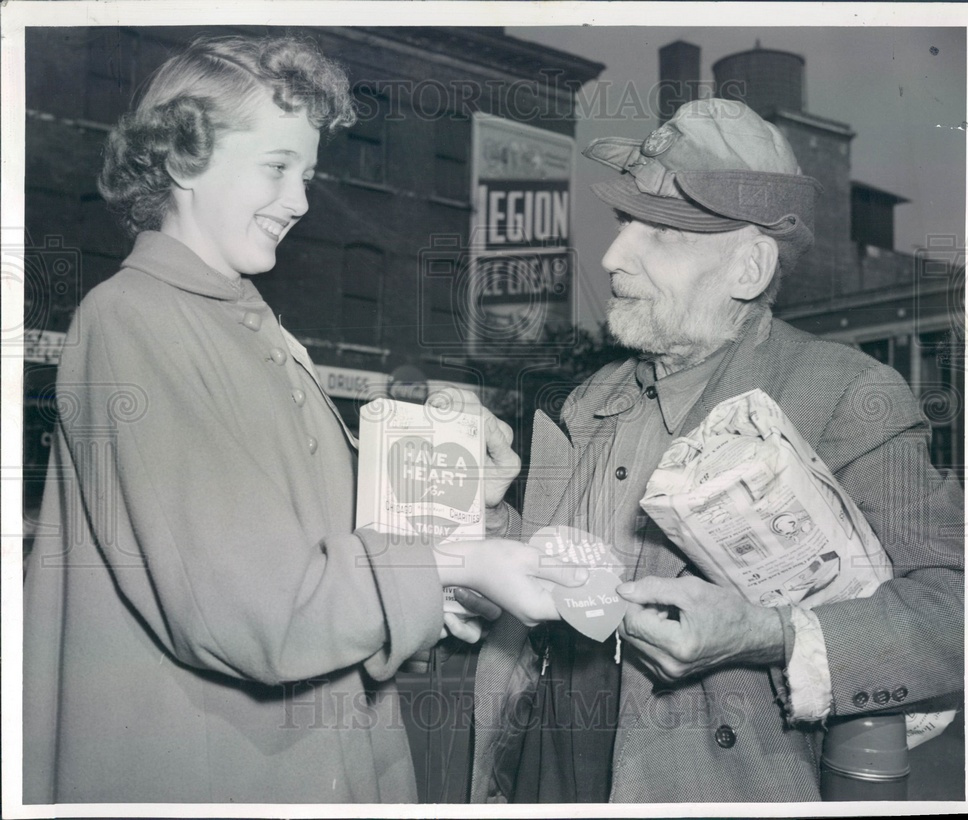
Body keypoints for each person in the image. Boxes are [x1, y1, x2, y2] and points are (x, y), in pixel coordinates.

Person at [21, 34, 585, 804]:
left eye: (308, 174)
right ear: (184, 160)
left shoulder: (246, 327)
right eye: (276, 167)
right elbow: (257, 611)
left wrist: (457, 494)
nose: (300, 201)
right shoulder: (134, 318)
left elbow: (328, 548)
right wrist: (457, 566)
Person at [461, 98, 965, 803]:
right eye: (624, 222)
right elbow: (556, 580)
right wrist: (489, 517)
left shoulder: (844, 394)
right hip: (539, 774)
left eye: (662, 232)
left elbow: (963, 612)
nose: (612, 257)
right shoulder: (591, 399)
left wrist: (767, 633)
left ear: (748, 268)